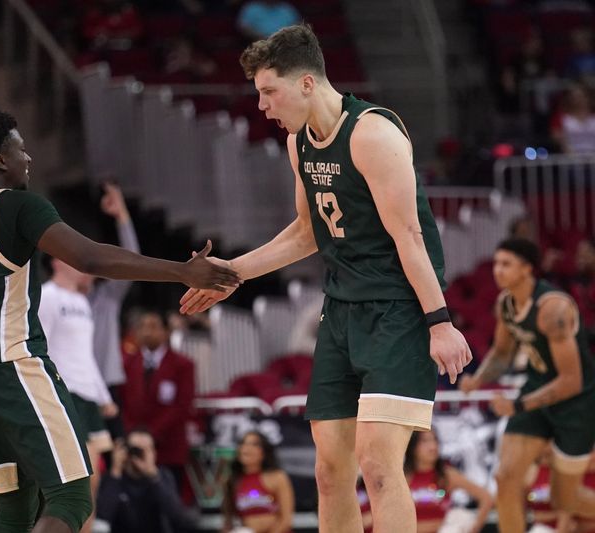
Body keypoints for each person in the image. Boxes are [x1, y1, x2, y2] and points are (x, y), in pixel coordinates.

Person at [0, 110, 239, 533]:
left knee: (13, 507)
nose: (28, 157)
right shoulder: (17, 207)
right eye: (20, 148)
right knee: (71, 496)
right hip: (11, 368)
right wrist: (181, 270)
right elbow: (90, 257)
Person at [180, 24, 471, 532]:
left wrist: (440, 323)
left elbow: (410, 236)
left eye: (270, 92)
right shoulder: (300, 144)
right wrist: (231, 273)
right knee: (330, 471)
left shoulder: (373, 134)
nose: (262, 106)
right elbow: (306, 234)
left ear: (308, 83)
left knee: (379, 466)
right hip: (341, 310)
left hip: (398, 311)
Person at [459, 238, 595, 533]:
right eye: (495, 263)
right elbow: (502, 353)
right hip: (536, 390)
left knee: (565, 500)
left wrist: (518, 404)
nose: (497, 270)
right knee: (505, 479)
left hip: (576, 403)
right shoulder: (505, 304)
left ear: (527, 269)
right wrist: (479, 378)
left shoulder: (552, 309)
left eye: (506, 264)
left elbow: (572, 381)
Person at [39, 256, 117, 533]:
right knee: (73, 480)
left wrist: (103, 395)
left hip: (87, 396)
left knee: (93, 479)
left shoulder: (83, 303)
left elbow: (86, 355)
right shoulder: (46, 296)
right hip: (64, 394)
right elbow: (38, 348)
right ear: (57, 262)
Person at [122, 309, 195, 489]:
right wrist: (133, 434)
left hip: (169, 448)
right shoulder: (127, 363)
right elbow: (121, 401)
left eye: (153, 327)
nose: (147, 332)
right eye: (143, 327)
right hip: (134, 447)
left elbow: (183, 406)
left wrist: (151, 434)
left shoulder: (183, 364)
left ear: (166, 331)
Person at [89, 183, 140, 441]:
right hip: (73, 387)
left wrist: (122, 216)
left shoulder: (107, 297)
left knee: (118, 457)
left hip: (108, 385)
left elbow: (132, 263)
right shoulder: (50, 296)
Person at [97, 428, 196, 533]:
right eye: (135, 450)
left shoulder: (162, 476)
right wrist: (116, 470)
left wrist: (153, 475)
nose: (140, 455)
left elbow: (178, 518)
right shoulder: (113, 479)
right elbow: (102, 517)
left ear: (154, 453)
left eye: (146, 450)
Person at [403, 430, 494, 533]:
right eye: (425, 441)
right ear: (412, 446)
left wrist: (474, 528)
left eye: (435, 440)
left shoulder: (447, 475)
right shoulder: (403, 477)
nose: (433, 446)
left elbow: (486, 498)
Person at [222, 430, 294, 533]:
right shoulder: (233, 481)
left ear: (263, 452)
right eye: (243, 443)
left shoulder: (277, 477)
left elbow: (286, 520)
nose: (246, 448)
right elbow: (228, 520)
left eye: (254, 444)